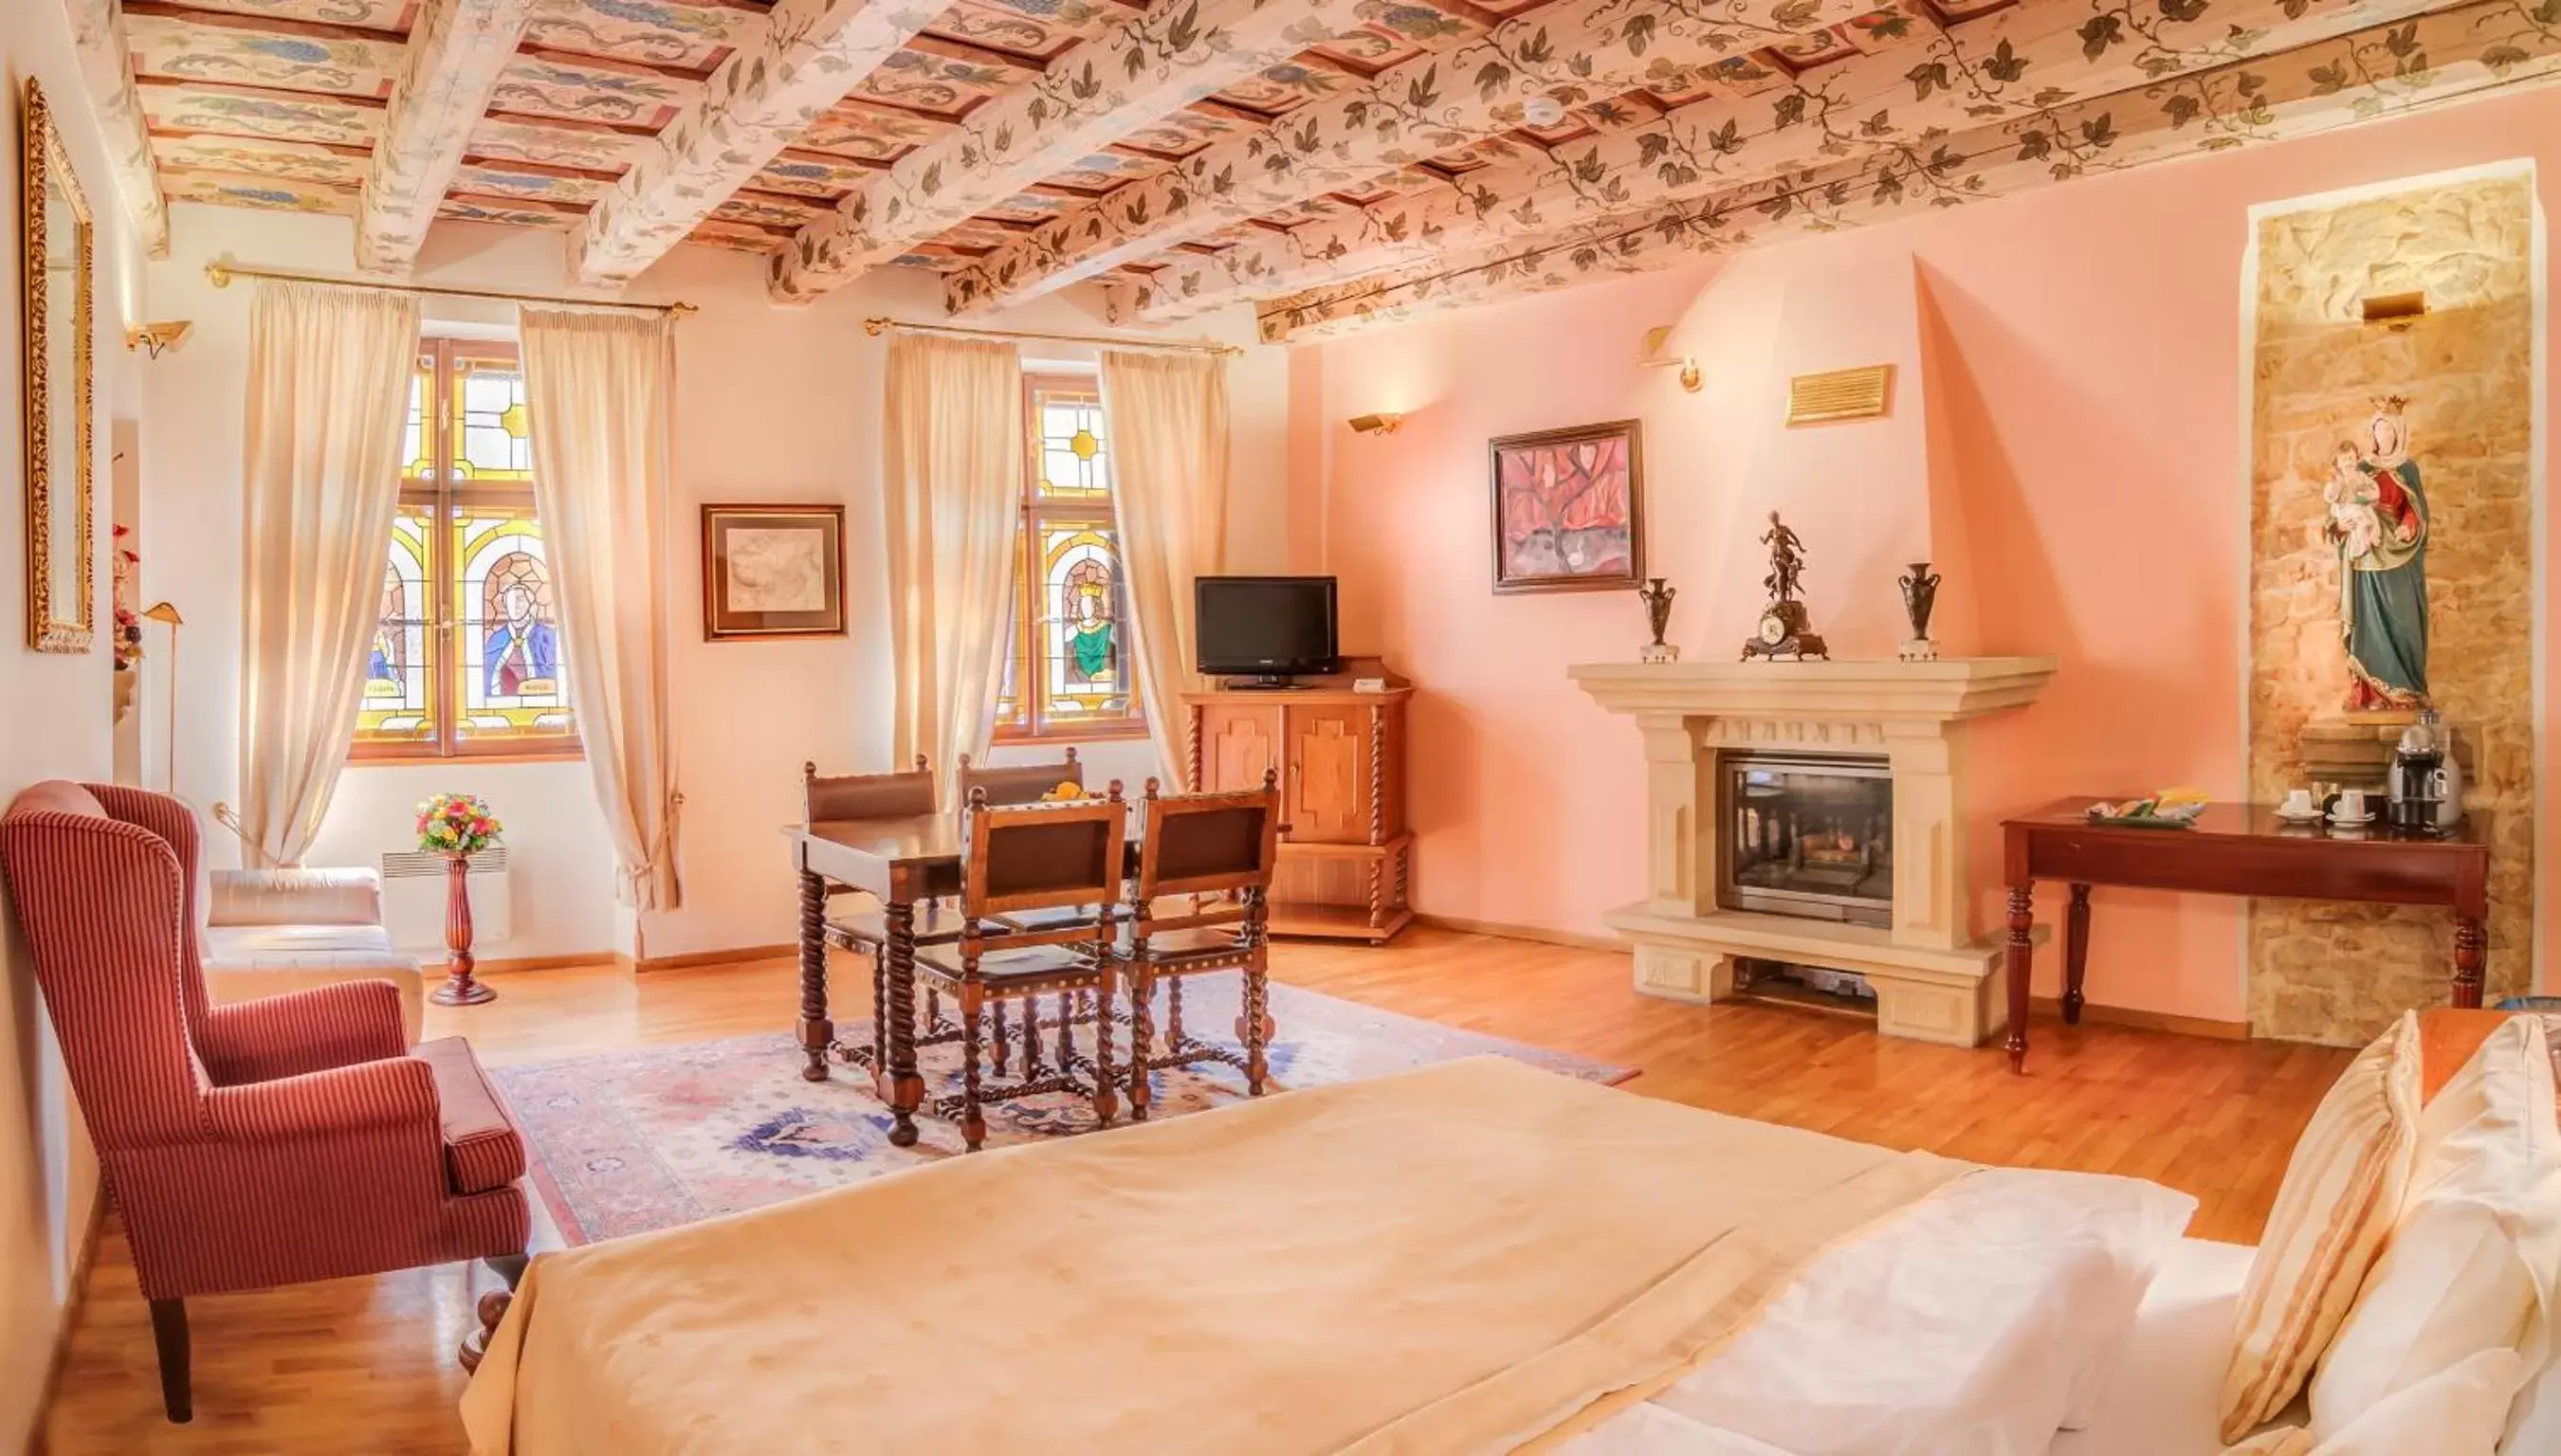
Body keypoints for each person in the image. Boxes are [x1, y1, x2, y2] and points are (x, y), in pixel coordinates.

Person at [2323, 398, 2428, 710]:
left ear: (2398, 434)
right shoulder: (2362, 467)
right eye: (2378, 430)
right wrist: (2341, 523)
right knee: (2369, 623)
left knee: (2404, 619)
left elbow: (2417, 509)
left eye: (2388, 431)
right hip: (2366, 556)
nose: (2383, 437)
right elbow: (2338, 507)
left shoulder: (2407, 468)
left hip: (2399, 553)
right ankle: (2371, 694)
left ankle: (2406, 689)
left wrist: (2409, 525)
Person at [483, 582, 558, 699]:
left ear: (531, 604)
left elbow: (556, 678)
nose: (515, 606)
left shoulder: (547, 637)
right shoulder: (496, 640)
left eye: (520, 599)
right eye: (510, 601)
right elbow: (486, 679)